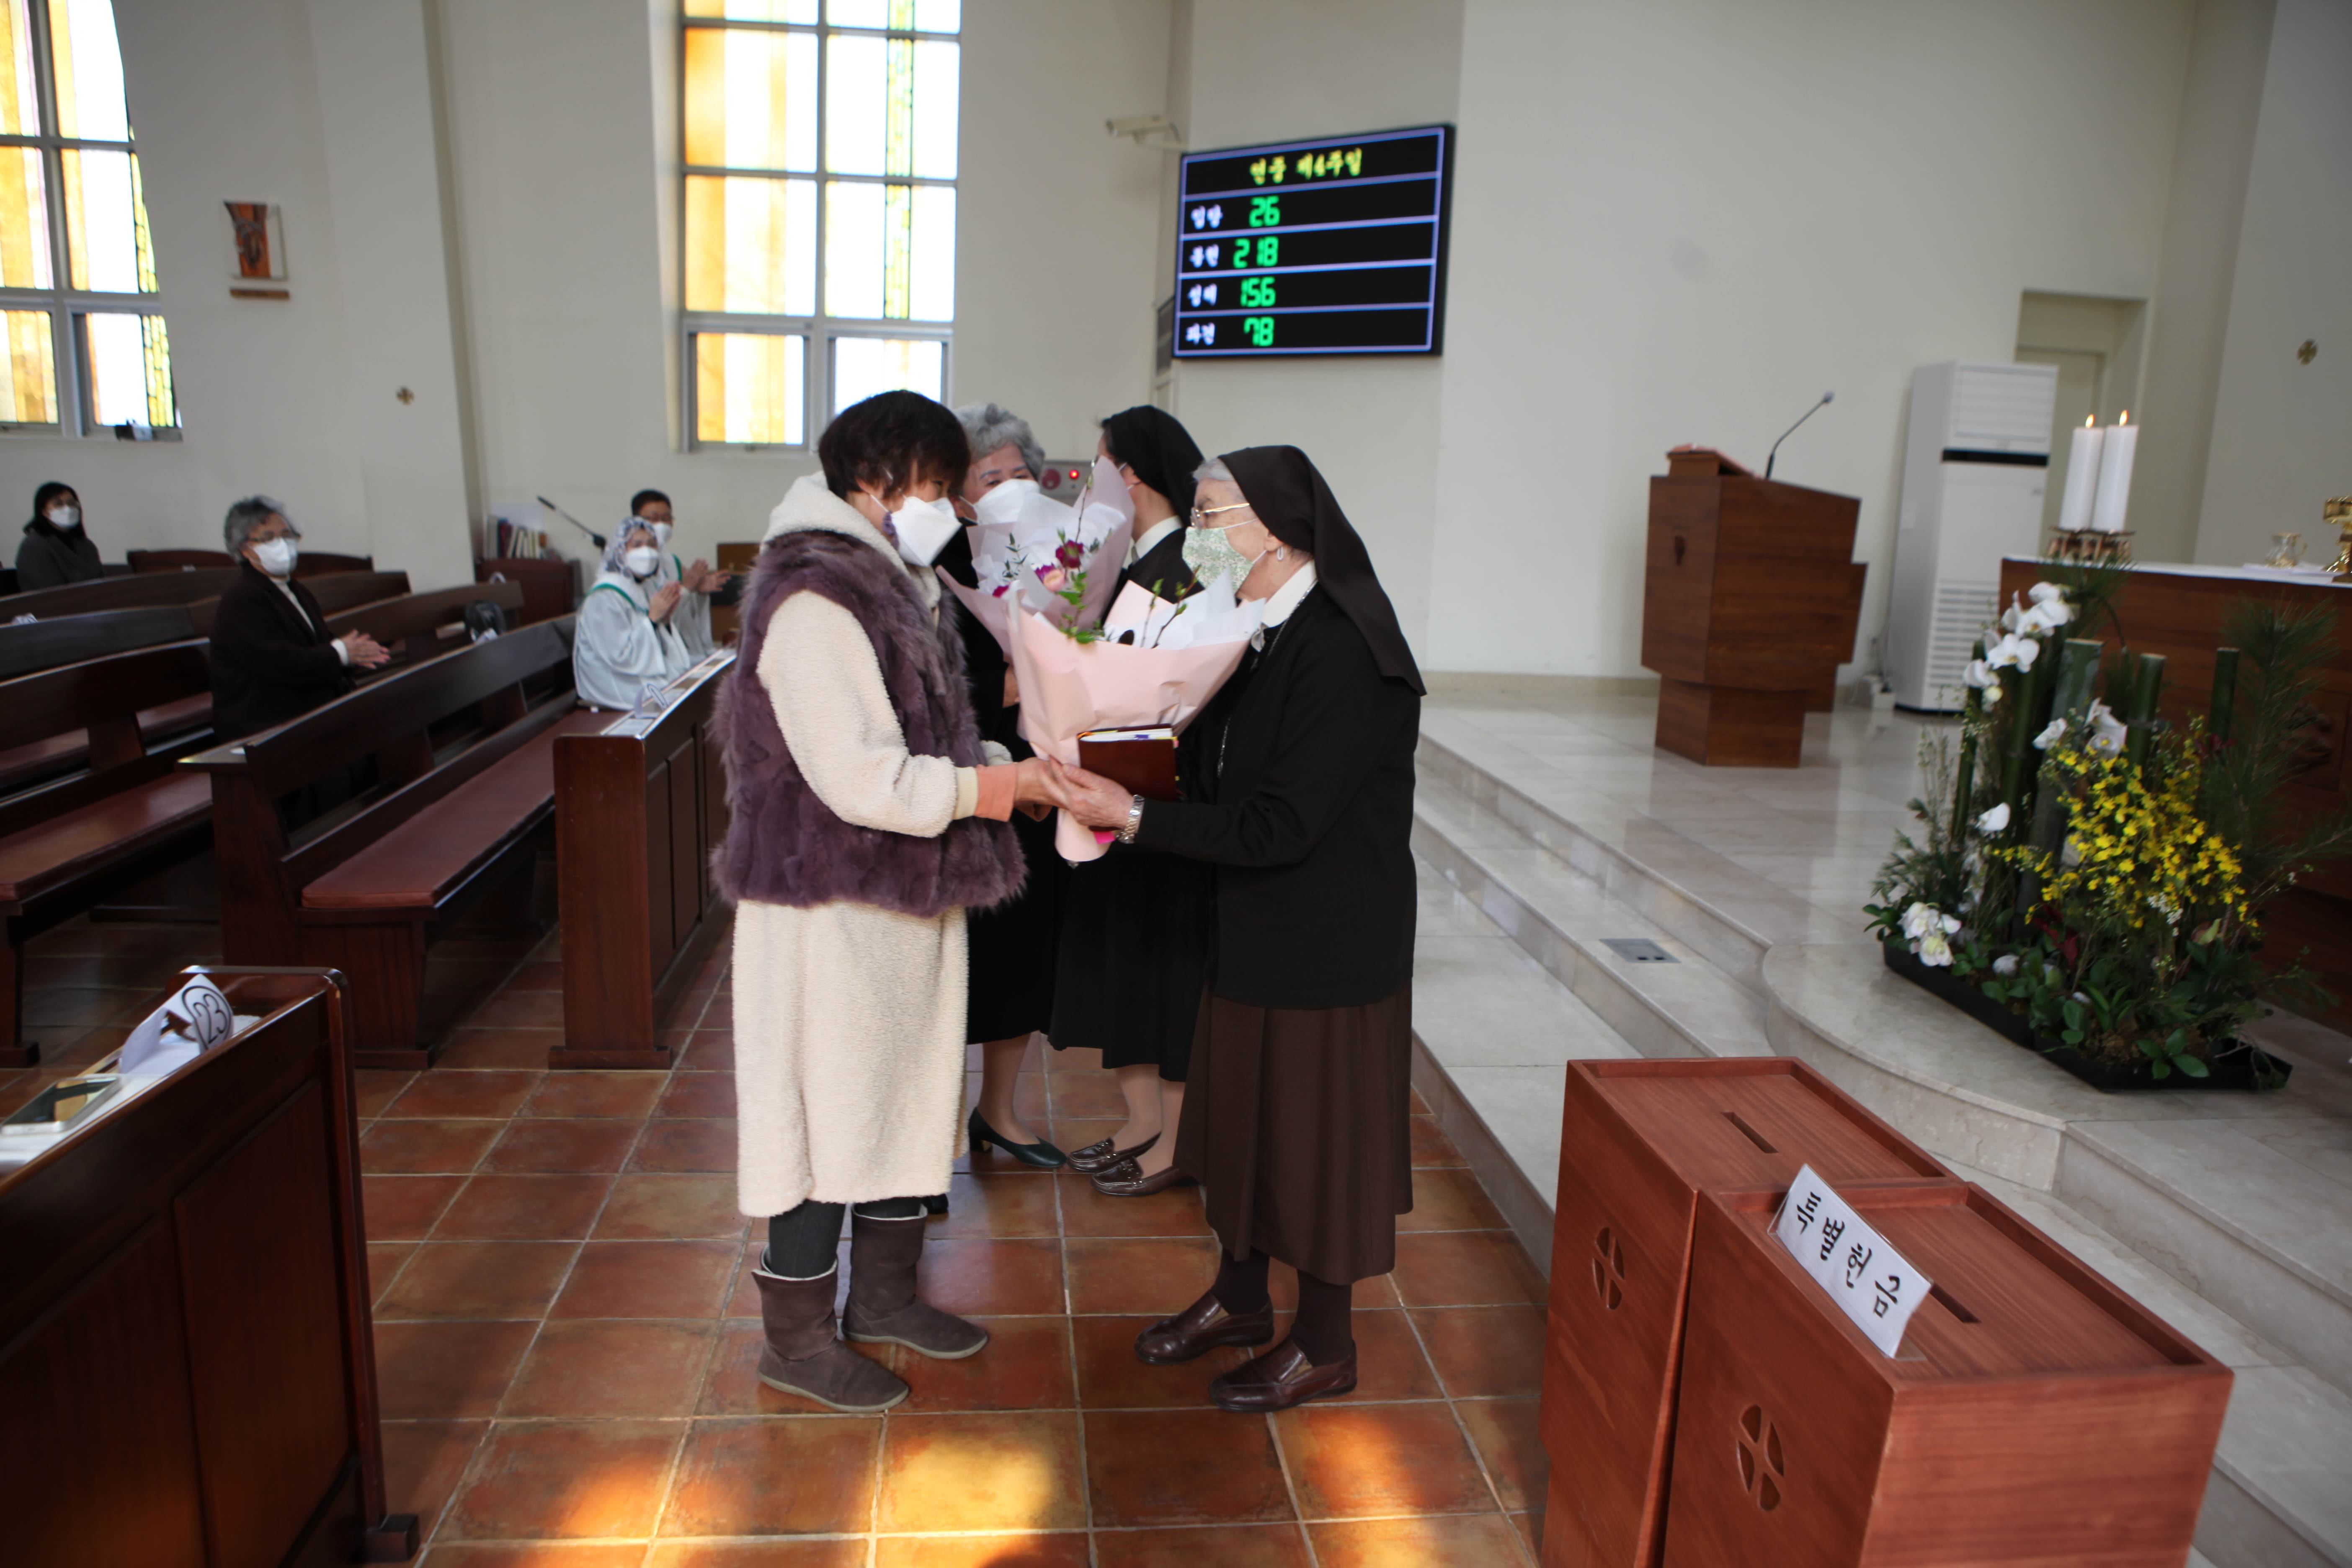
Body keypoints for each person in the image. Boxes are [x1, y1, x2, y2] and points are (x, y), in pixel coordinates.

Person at [717, 389, 1071, 1413]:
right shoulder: (816, 600)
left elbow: (927, 741)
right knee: (827, 1120)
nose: (953, 508)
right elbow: (864, 779)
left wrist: (1010, 761)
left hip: (902, 899)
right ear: (875, 482)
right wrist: (1001, 788)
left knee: (901, 1102)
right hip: (832, 911)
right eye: (938, 486)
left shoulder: (892, 579)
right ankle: (795, 1343)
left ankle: (883, 1297)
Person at [1058, 446, 1425, 1412]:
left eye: (1211, 515)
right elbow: (1217, 771)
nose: (1196, 533)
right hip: (1251, 926)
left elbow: (1281, 824)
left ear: (1276, 529)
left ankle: (1327, 1343)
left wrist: (1135, 815)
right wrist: (1108, 750)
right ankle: (1240, 1297)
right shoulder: (1260, 628)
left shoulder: (1344, 649)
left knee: (1315, 1149)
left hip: (1325, 945)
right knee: (1241, 1127)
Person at [1050, 406, 1215, 1194]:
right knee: (1127, 964)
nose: (1089, 482)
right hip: (1117, 788)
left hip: (1166, 794)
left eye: (1098, 466)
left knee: (1162, 966)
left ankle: (1178, 1138)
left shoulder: (1195, 560)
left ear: (1131, 475)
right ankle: (1143, 1120)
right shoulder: (1130, 560)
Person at [943, 401, 1067, 1170]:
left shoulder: (1060, 556)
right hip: (957, 778)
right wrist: (1011, 681)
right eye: (992, 478)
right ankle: (928, 1131)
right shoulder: (938, 561)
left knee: (1021, 949)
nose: (1011, 487)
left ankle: (999, 1108)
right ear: (960, 494)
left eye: (1021, 473)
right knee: (950, 957)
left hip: (1037, 777)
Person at [209, 495, 391, 743]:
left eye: (286, 535)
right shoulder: (242, 600)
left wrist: (357, 653)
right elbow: (279, 664)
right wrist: (341, 653)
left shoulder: (295, 590)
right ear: (245, 549)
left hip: (300, 706)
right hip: (263, 723)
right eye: (268, 538)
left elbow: (317, 644)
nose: (282, 544)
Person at [574, 520, 694, 711]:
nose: (647, 552)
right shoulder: (605, 595)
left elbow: (654, 641)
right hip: (613, 679)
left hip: (637, 671)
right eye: (637, 545)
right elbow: (619, 656)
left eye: (652, 545)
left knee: (690, 683)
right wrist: (653, 620)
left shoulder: (645, 586)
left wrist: (664, 621)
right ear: (620, 551)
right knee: (675, 698)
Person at [628, 488, 728, 659]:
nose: (661, 525)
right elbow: (654, 616)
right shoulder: (634, 566)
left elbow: (686, 616)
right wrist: (687, 588)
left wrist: (699, 593)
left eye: (667, 518)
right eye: (653, 518)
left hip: (682, 647)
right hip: (655, 654)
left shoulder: (672, 561)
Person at [16, 482, 103, 589]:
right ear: (44, 512)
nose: (68, 509)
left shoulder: (86, 544)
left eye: (72, 503)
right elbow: (51, 592)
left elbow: (100, 581)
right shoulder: (33, 546)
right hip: (56, 599)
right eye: (58, 504)